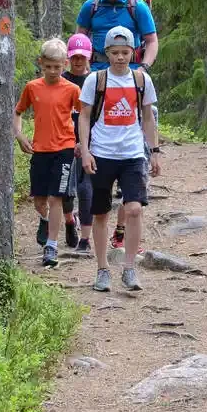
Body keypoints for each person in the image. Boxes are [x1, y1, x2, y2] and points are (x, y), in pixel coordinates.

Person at [77, 0, 160, 250]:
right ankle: (88, 222)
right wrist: (84, 69)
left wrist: (144, 69)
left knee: (135, 159)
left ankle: (124, 229)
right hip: (98, 81)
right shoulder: (92, 6)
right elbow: (80, 38)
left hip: (132, 80)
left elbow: (151, 41)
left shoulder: (137, 7)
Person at [77, 26, 162, 292]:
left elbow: (148, 117)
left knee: (134, 209)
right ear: (107, 53)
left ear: (133, 53)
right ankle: (102, 269)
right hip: (102, 154)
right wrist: (86, 150)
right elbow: (84, 116)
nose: (120, 58)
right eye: (115, 53)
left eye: (125, 52)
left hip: (133, 154)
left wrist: (155, 151)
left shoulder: (141, 81)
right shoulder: (95, 79)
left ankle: (129, 268)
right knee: (100, 213)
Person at [13, 38, 82, 267]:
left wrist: (82, 143)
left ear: (65, 64)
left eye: (58, 67)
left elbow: (84, 116)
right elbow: (18, 112)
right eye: (48, 66)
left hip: (64, 149)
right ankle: (44, 220)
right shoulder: (32, 87)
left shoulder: (72, 89)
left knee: (56, 198)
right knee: (40, 201)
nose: (53, 71)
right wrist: (20, 135)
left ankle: (51, 246)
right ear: (41, 63)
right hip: (39, 150)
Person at [64, 33, 94, 253]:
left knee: (85, 190)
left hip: (89, 143)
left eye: (82, 57)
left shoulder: (95, 81)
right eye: (74, 56)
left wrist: (85, 144)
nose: (78, 61)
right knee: (65, 192)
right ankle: (68, 221)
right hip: (62, 142)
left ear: (88, 57)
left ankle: (85, 238)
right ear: (68, 57)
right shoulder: (61, 79)